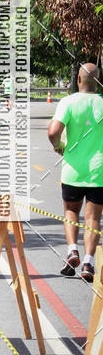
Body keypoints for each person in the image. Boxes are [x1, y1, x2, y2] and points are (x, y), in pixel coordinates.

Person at [48, 63, 103, 282]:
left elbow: (53, 132)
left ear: (78, 80)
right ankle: (88, 262)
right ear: (98, 81)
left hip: (72, 170)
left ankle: (72, 251)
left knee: (71, 211)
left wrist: (59, 146)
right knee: (93, 218)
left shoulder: (68, 102)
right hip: (99, 171)